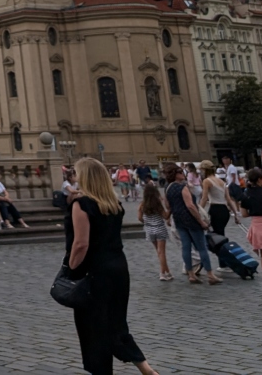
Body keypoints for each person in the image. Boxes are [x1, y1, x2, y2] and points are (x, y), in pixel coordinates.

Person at [64, 157, 159, 375]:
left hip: (94, 270)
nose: (74, 177)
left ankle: (102, 371)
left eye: (76, 173)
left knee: (92, 327)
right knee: (116, 323)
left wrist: (71, 269)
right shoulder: (114, 204)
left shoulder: (82, 204)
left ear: (85, 176)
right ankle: (146, 369)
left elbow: (81, 244)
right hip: (118, 266)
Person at [163, 162, 221, 285]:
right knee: (202, 247)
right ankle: (210, 275)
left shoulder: (168, 188)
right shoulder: (182, 187)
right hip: (191, 220)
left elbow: (167, 205)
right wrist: (201, 221)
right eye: (180, 172)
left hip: (178, 220)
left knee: (186, 247)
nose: (183, 174)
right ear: (175, 174)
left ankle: (191, 274)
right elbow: (190, 205)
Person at [136, 181, 172, 281]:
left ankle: (168, 272)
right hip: (160, 228)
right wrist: (170, 210)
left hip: (149, 230)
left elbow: (139, 218)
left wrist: (147, 222)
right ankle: (162, 273)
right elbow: (165, 216)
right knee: (162, 252)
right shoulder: (157, 204)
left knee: (158, 252)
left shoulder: (142, 205)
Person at [199, 161, 239, 237]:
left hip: (215, 209)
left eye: (201, 170)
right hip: (224, 210)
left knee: (217, 235)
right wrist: (235, 214)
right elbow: (228, 199)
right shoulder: (222, 181)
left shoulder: (206, 181)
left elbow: (204, 198)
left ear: (205, 170)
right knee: (220, 233)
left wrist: (199, 210)